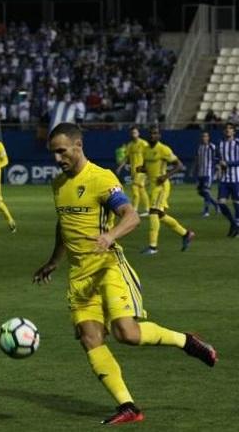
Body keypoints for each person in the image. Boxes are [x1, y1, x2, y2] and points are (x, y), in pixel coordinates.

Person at [32, 123, 217, 426]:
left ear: (78, 146)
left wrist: (110, 236)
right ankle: (128, 406)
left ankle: (186, 341)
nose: (57, 159)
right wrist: (53, 261)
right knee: (90, 338)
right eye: (54, 153)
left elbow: (131, 217)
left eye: (62, 151)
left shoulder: (102, 179)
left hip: (108, 268)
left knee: (126, 334)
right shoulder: (57, 184)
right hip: (79, 276)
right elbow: (63, 225)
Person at [139, 125, 195, 255]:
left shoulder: (163, 149)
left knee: (153, 212)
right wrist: (140, 170)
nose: (153, 135)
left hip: (161, 186)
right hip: (152, 185)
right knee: (161, 216)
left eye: (155, 133)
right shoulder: (145, 149)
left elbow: (179, 165)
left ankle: (153, 247)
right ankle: (186, 234)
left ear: (159, 136)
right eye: (151, 133)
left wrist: (165, 176)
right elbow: (146, 167)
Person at [215, 122, 239, 237]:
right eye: (226, 129)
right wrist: (218, 165)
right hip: (224, 179)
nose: (228, 130)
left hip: (236, 179)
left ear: (234, 131)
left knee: (237, 203)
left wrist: (227, 163)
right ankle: (234, 224)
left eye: (230, 129)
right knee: (220, 203)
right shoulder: (220, 143)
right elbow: (217, 158)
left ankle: (236, 228)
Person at [115, 126, 150, 216]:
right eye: (132, 133)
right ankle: (147, 209)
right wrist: (120, 167)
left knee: (134, 188)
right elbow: (126, 158)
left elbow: (148, 156)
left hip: (141, 170)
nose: (133, 134)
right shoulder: (130, 145)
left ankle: (134, 209)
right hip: (134, 171)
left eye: (135, 132)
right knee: (141, 189)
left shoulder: (143, 144)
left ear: (138, 133)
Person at [193, 131, 219, 217]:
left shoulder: (212, 147)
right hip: (200, 173)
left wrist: (215, 171)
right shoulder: (199, 147)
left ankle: (206, 211)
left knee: (206, 191)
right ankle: (216, 204)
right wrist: (194, 170)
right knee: (201, 192)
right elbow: (197, 160)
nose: (204, 138)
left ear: (208, 138)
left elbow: (216, 159)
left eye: (206, 136)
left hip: (208, 173)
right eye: (203, 136)